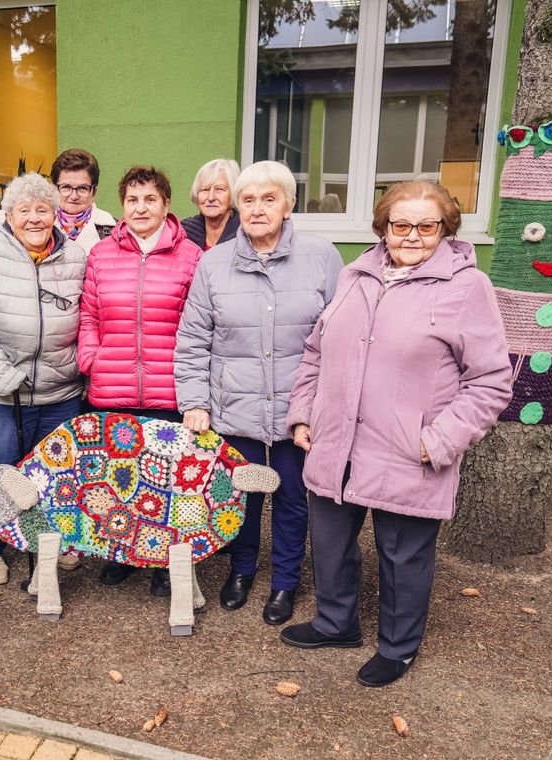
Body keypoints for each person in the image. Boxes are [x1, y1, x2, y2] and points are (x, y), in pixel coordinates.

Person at [280, 181, 511, 687]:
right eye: (399, 224)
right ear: (382, 227)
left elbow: (491, 380)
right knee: (331, 541)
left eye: (425, 226)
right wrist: (303, 414)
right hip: (335, 441)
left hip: (409, 450)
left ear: (445, 230)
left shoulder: (467, 287)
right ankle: (335, 623)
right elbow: (317, 352)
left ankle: (399, 647)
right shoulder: (354, 275)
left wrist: (439, 440)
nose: (410, 235)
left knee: (403, 555)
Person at [175, 160, 343, 624]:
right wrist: (194, 402)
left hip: (298, 410)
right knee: (241, 496)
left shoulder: (321, 256)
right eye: (247, 200)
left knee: (292, 498)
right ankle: (242, 571)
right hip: (235, 408)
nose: (257, 208)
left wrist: (321, 405)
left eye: (269, 198)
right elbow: (192, 340)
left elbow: (340, 337)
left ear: (288, 205)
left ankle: (285, 582)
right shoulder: (213, 263)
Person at [0, 173, 87, 585]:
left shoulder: (75, 257)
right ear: (8, 216)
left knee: (55, 474)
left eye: (42, 210)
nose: (33, 218)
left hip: (60, 391)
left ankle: (54, 542)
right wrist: (0, 374)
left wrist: (77, 365)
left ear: (54, 214)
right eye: (23, 211)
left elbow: (91, 318)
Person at [79, 165, 203, 595]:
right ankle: (123, 554)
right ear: (122, 205)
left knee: (169, 479)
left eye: (150, 198)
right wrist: (91, 359)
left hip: (169, 389)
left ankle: (167, 562)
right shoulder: (101, 254)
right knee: (118, 477)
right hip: (112, 387)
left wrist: (193, 389)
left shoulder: (191, 256)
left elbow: (198, 325)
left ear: (167, 205)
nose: (141, 207)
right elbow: (89, 315)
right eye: (132, 199)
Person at [51, 148, 116, 254]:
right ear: (54, 189)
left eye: (82, 188)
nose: (74, 196)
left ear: (94, 192)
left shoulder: (115, 231)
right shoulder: (39, 227)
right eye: (66, 187)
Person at [181, 159, 241, 251]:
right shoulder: (183, 232)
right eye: (205, 189)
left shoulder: (245, 235)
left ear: (233, 192)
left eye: (219, 189)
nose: (211, 197)